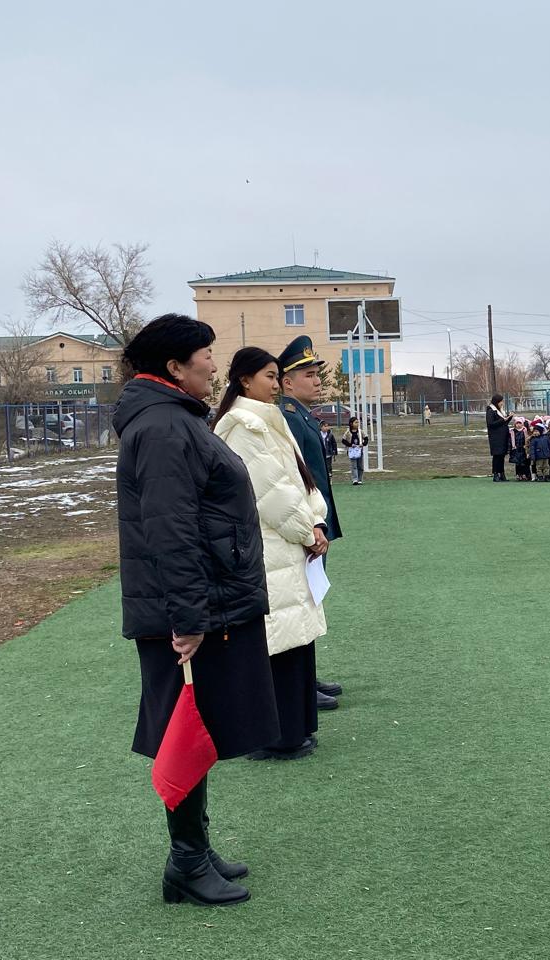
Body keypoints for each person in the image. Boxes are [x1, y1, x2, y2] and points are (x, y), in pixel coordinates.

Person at [115, 314, 279, 906]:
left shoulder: (175, 419)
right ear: (173, 367)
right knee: (184, 729)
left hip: (203, 601)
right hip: (185, 612)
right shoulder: (162, 428)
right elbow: (169, 530)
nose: (215, 364)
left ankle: (195, 848)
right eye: (206, 354)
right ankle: (184, 862)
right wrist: (188, 619)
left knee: (199, 722)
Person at [213, 347, 328, 763]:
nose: (276, 384)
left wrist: (316, 520)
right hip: (270, 543)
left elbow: (300, 481)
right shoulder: (242, 425)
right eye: (268, 376)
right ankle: (279, 735)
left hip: (289, 540)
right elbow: (268, 492)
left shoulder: (268, 418)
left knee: (294, 637)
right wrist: (306, 530)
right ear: (244, 380)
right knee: (276, 640)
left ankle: (295, 728)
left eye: (278, 376)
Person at [278, 335, 343, 710]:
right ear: (287, 382)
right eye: (308, 375)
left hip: (317, 521)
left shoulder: (302, 416)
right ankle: (301, 684)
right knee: (301, 601)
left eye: (317, 374)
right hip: (308, 525)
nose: (317, 381)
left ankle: (307, 677)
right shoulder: (289, 419)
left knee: (310, 601)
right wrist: (312, 525)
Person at [485, 394, 512, 482]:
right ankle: (496, 474)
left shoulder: (500, 411)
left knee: (501, 456)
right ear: (497, 402)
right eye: (501, 401)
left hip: (503, 436)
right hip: (496, 438)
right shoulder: (491, 411)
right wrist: (503, 420)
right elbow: (490, 424)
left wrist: (509, 418)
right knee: (497, 456)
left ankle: (502, 474)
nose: (502, 403)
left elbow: (503, 424)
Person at [342, 417, 371, 485]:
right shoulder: (348, 432)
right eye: (356, 422)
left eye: (358, 422)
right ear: (351, 423)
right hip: (351, 451)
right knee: (353, 466)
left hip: (359, 450)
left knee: (360, 466)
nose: (358, 424)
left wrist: (363, 444)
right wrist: (350, 445)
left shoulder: (360, 431)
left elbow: (366, 438)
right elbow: (343, 440)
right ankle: (355, 479)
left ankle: (360, 479)